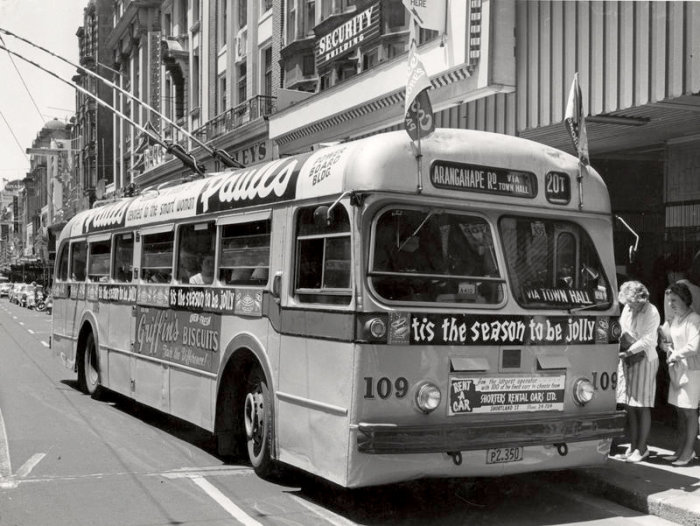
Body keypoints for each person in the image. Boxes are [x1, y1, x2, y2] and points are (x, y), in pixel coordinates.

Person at [614, 281, 660, 463]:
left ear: (640, 299)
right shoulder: (627, 309)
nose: (629, 307)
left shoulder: (651, 311)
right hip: (627, 358)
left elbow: (649, 339)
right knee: (629, 405)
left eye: (632, 303)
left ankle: (642, 449)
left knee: (642, 404)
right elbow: (622, 328)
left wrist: (628, 350)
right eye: (627, 303)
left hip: (644, 360)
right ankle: (633, 447)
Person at [659, 282, 700, 466]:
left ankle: (688, 451)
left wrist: (675, 353)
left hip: (692, 370)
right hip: (677, 369)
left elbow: (693, 346)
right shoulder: (675, 319)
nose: (670, 304)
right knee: (680, 411)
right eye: (669, 301)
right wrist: (665, 347)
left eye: (674, 300)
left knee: (690, 411)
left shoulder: (694, 320)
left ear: (684, 299)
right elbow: (668, 339)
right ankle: (680, 450)